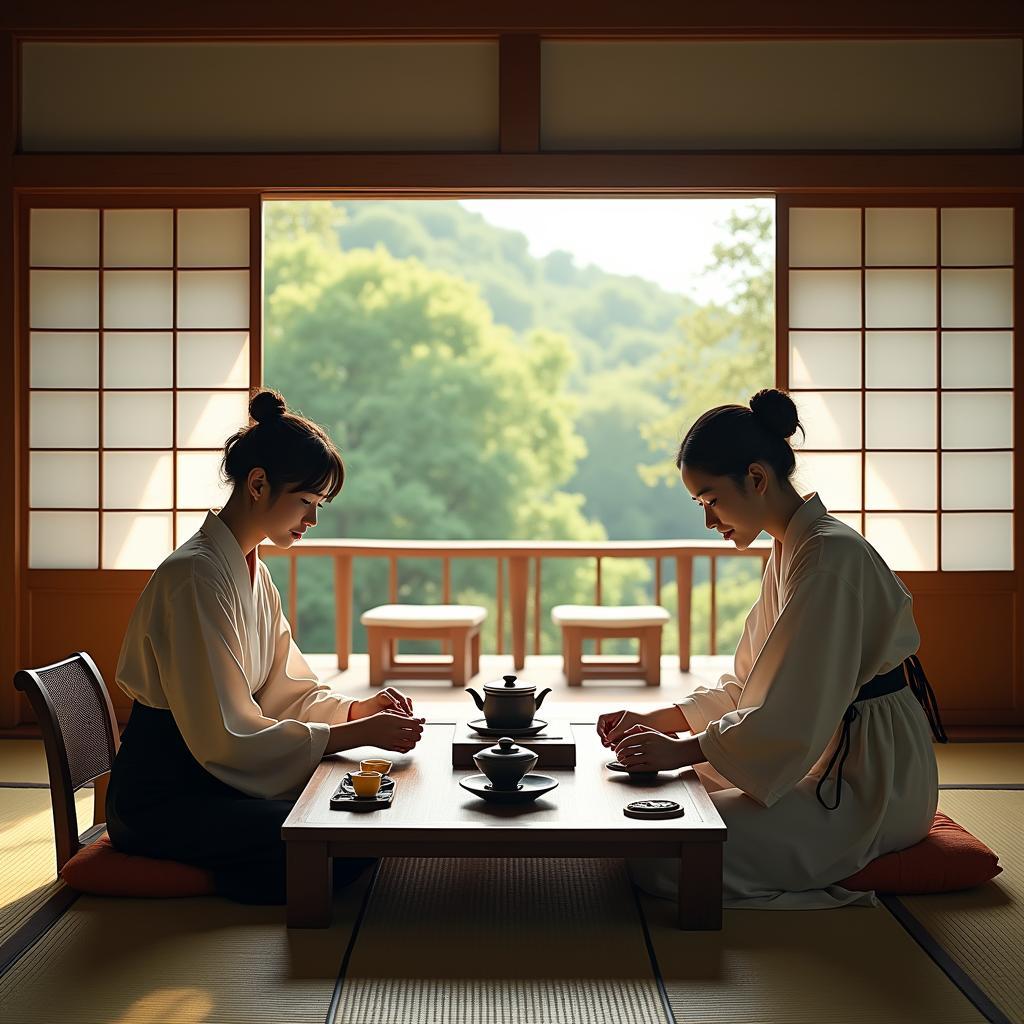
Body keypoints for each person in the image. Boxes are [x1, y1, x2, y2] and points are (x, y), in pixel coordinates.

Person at [598, 388, 946, 909]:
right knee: (660, 805)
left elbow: (792, 709)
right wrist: (660, 719)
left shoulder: (830, 558)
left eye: (712, 500)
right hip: (815, 752)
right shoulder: (792, 550)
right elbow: (751, 684)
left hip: (866, 781)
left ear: (756, 478)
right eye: (701, 505)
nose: (709, 521)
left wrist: (681, 749)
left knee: (665, 855)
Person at [107, 388, 424, 903]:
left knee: (351, 823)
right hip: (168, 797)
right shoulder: (194, 577)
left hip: (216, 779)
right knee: (343, 835)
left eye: (318, 506)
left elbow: (284, 687)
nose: (312, 521)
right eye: (305, 502)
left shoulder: (252, 572)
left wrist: (354, 712)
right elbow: (226, 732)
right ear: (258, 484)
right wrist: (351, 736)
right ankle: (185, 880)